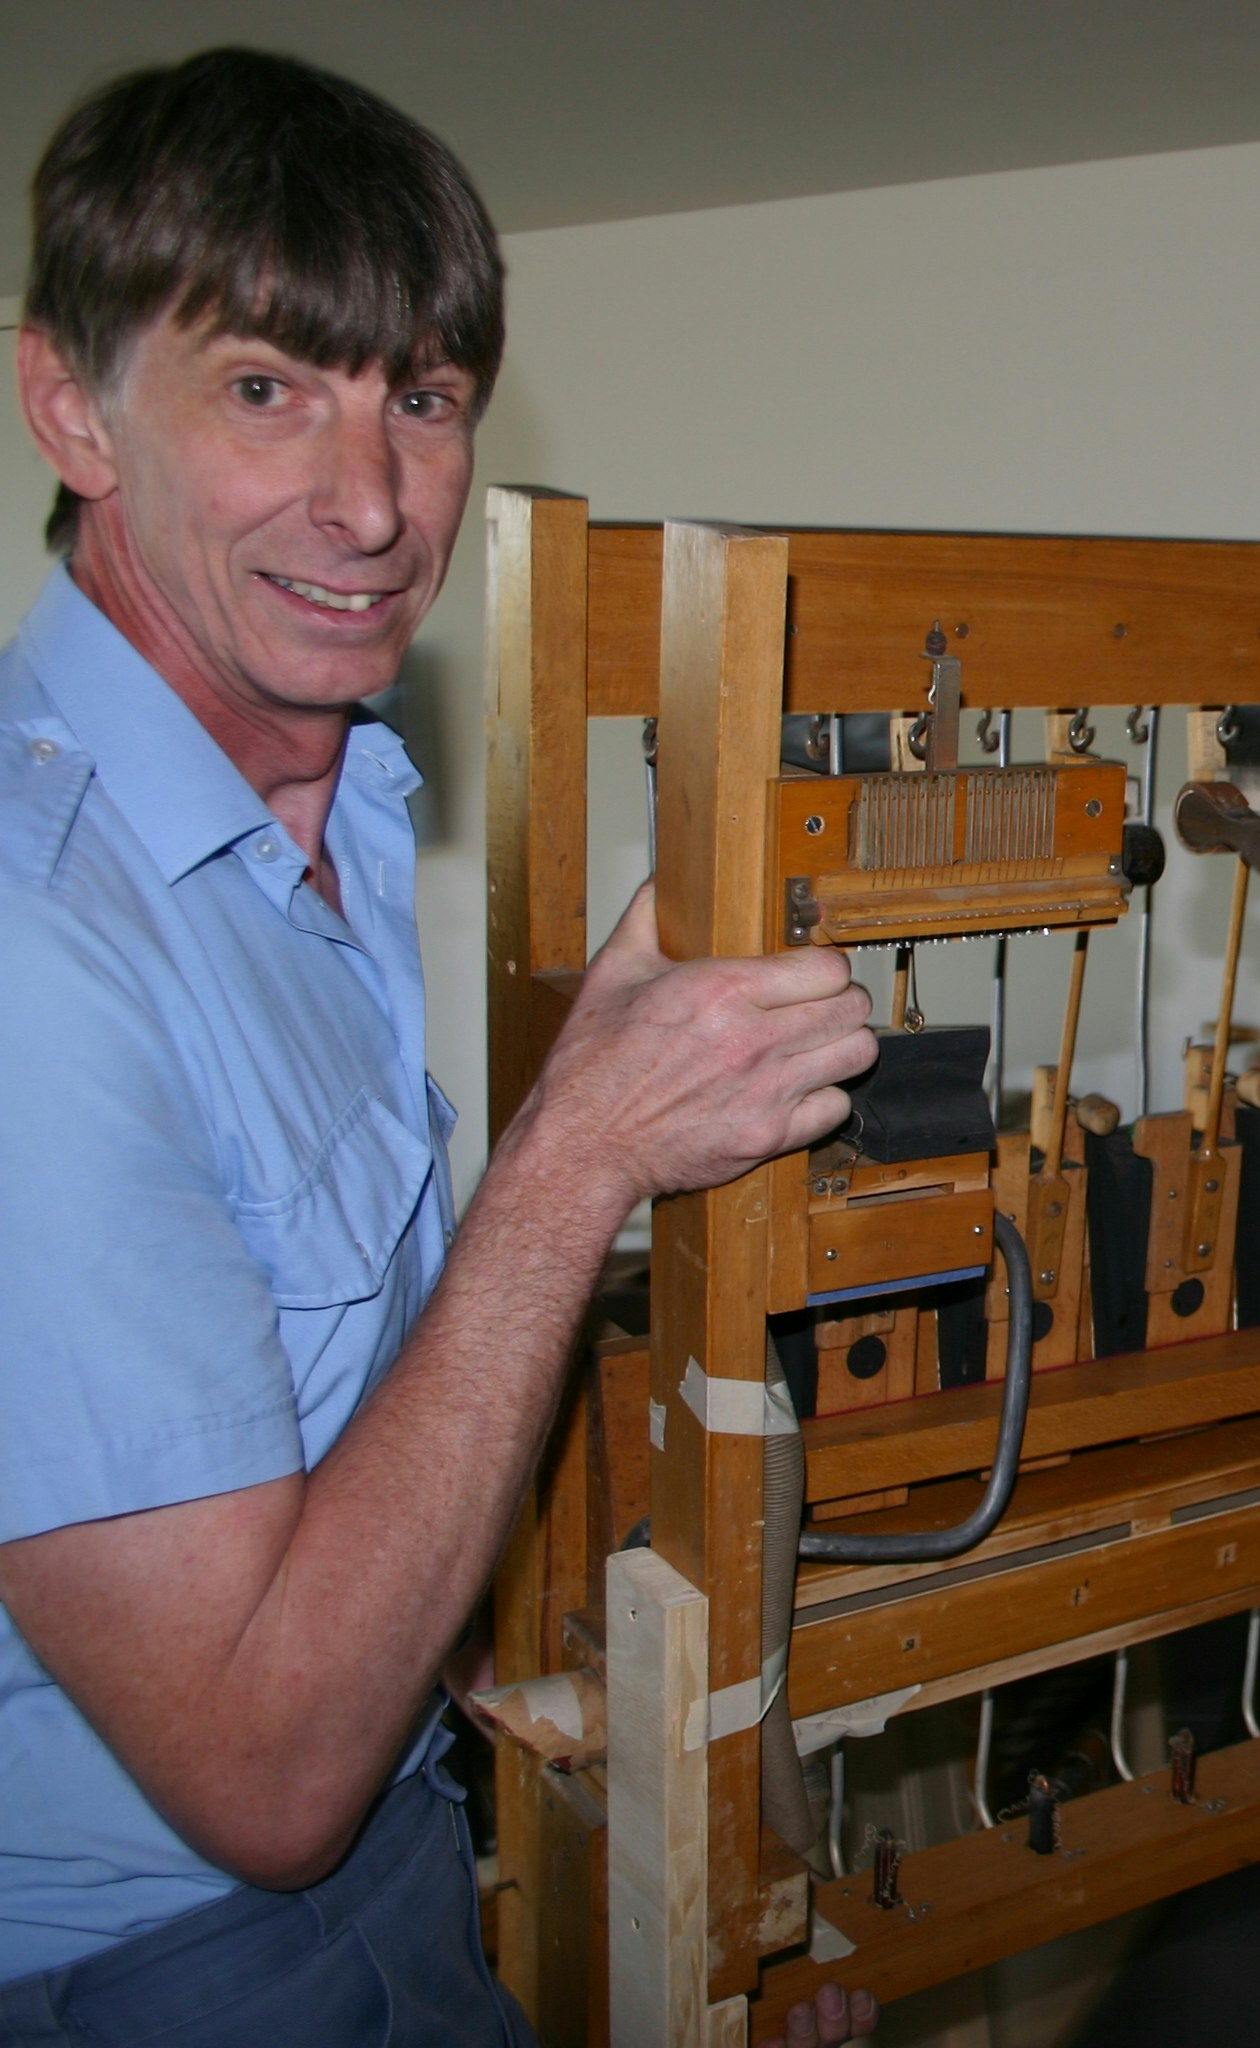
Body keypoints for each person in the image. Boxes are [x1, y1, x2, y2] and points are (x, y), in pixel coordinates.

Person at [0, 51, 882, 2046]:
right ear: (71, 405)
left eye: (421, 394)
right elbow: (262, 1770)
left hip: (394, 1868)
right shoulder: (33, 942)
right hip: (167, 1969)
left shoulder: (326, 810)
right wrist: (577, 1150)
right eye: (264, 390)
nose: (377, 500)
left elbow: (344, 1439)